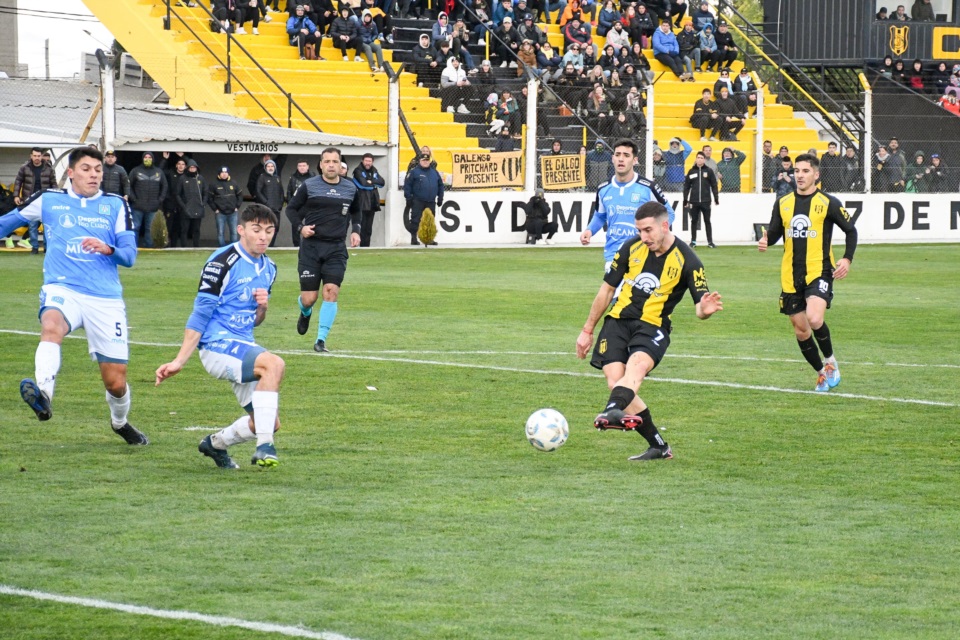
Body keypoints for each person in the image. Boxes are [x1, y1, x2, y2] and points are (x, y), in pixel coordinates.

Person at [0, 146, 147, 445]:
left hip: (104, 298)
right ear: (70, 173)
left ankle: (120, 423)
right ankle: (43, 394)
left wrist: (109, 249)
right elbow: (6, 223)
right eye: (86, 169)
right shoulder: (48, 200)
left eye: (98, 170)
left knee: (115, 382)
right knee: (51, 325)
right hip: (62, 287)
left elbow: (129, 256)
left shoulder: (116, 205)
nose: (94, 175)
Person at [575, 201, 723, 461]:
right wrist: (587, 330)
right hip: (618, 320)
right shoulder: (630, 247)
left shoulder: (689, 260)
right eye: (639, 231)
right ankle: (659, 446)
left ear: (665, 226)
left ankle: (612, 409)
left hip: (653, 325)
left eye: (648, 230)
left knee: (637, 367)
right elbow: (607, 290)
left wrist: (705, 310)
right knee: (616, 382)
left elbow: (700, 307)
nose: (643, 237)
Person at [155, 205, 283, 469]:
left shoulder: (269, 268)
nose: (263, 237)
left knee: (268, 422)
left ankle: (215, 444)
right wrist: (179, 360)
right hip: (216, 346)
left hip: (243, 344)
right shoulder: (222, 262)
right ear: (241, 229)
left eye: (269, 231)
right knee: (274, 364)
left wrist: (262, 308)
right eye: (256, 230)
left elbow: (255, 321)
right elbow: (200, 314)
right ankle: (265, 446)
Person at [758, 153, 858, 393]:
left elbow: (851, 230)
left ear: (816, 174)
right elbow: (774, 233)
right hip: (790, 275)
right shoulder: (782, 203)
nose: (800, 175)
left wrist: (847, 258)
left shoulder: (828, 202)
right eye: (797, 171)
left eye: (805, 171)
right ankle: (821, 373)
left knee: (814, 318)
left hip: (819, 270)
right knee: (801, 330)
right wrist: (765, 240)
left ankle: (831, 361)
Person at [286, 147, 362, 353]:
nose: (330, 165)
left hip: (336, 248)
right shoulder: (309, 186)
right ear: (320, 165)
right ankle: (305, 311)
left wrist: (356, 231)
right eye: (327, 161)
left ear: (340, 165)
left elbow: (357, 211)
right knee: (309, 298)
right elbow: (291, 209)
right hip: (311, 248)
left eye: (334, 161)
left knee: (331, 292)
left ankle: (320, 340)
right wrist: (301, 228)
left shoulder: (350, 188)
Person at [580, 138, 674, 270]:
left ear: (634, 160)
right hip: (613, 256)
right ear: (612, 158)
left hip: (644, 256)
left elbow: (669, 213)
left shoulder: (648, 187)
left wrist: (654, 234)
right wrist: (589, 230)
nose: (621, 159)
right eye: (617, 155)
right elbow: (600, 216)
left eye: (626, 155)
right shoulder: (603, 189)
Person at [12, 147, 57, 253]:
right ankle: (35, 247)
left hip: (46, 200)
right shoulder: (24, 168)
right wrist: (16, 196)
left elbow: (54, 183)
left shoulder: (49, 168)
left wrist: (56, 197)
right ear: (31, 156)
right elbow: (18, 182)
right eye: (35, 156)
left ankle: (46, 248)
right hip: (30, 200)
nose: (37, 158)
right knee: (32, 225)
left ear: (42, 156)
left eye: (39, 156)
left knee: (47, 225)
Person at [403, 152, 444, 246]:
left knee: (430, 220)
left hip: (431, 201)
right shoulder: (414, 172)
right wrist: (408, 198)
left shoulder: (434, 172)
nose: (425, 162)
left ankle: (430, 238)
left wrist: (440, 197)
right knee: (415, 220)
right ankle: (414, 238)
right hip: (418, 200)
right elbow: (407, 185)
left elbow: (440, 185)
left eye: (427, 160)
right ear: (419, 161)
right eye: (423, 160)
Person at [128, 152, 168, 249]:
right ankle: (133, 248)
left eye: (149, 157)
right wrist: (134, 199)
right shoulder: (136, 170)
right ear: (142, 159)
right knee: (135, 227)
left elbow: (165, 186)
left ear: (153, 159)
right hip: (138, 206)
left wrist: (160, 200)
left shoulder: (158, 172)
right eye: (145, 157)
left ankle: (149, 249)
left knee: (150, 229)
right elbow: (128, 186)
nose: (147, 159)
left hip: (153, 207)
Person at [683, 151, 719, 248]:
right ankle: (693, 241)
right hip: (694, 201)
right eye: (698, 157)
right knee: (694, 221)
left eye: (701, 158)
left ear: (704, 160)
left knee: (707, 221)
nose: (699, 159)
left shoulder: (709, 171)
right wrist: (685, 199)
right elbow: (686, 187)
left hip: (706, 201)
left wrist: (716, 198)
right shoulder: (691, 171)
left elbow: (714, 185)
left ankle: (710, 242)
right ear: (696, 159)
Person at [352, 153, 385, 247]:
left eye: (370, 161)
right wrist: (374, 184)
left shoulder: (374, 170)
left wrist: (371, 181)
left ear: (372, 162)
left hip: (372, 204)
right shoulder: (357, 170)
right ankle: (361, 247)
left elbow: (382, 183)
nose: (368, 163)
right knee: (361, 229)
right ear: (362, 161)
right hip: (361, 204)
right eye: (366, 161)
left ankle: (366, 247)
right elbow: (363, 185)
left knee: (368, 229)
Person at [208, 166, 244, 247]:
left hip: (233, 212)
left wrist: (237, 206)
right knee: (220, 232)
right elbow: (209, 198)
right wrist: (215, 209)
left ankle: (233, 248)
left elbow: (240, 195)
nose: (224, 174)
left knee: (234, 232)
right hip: (220, 213)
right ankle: (222, 249)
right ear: (219, 174)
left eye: (226, 172)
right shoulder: (213, 184)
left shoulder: (233, 183)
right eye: (222, 172)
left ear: (228, 174)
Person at [177, 159, 207, 248]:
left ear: (197, 168)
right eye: (191, 167)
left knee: (196, 230)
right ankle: (184, 248)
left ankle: (196, 247)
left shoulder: (201, 178)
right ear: (188, 168)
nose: (192, 169)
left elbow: (206, 192)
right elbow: (177, 194)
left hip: (198, 208)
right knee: (184, 230)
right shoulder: (182, 178)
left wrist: (203, 204)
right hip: (186, 209)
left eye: (194, 167)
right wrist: (183, 206)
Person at [285, 158, 314, 248]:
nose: (302, 167)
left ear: (308, 167)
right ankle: (297, 245)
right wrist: (290, 204)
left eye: (304, 165)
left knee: (312, 224)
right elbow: (289, 192)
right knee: (296, 225)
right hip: (297, 205)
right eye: (300, 166)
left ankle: (311, 244)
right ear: (297, 167)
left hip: (309, 205)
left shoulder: (313, 177)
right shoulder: (293, 177)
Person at [255, 159, 285, 246]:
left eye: (272, 166)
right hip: (266, 208)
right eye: (268, 166)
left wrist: (280, 203)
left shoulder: (277, 178)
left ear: (274, 168)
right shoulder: (262, 177)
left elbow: (281, 192)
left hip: (277, 208)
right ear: (265, 167)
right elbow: (258, 191)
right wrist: (266, 202)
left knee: (276, 227)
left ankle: (271, 245)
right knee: (266, 227)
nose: (270, 168)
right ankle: (265, 244)